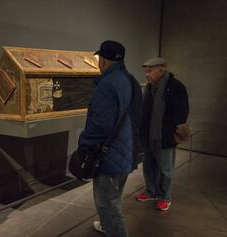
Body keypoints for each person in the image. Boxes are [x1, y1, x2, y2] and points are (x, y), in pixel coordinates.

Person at [77, 40, 142, 236]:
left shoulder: (106, 85)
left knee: (108, 204)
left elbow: (100, 125)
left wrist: (84, 144)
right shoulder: (131, 80)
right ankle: (106, 227)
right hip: (127, 150)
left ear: (103, 61)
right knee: (114, 197)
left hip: (109, 154)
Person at [135, 57, 189, 211]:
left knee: (166, 169)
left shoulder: (175, 87)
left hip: (164, 136)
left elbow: (181, 113)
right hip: (150, 135)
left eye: (150, 71)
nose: (147, 74)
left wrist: (171, 132)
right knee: (149, 165)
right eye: (146, 71)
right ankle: (151, 191)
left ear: (161, 70)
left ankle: (165, 197)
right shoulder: (150, 87)